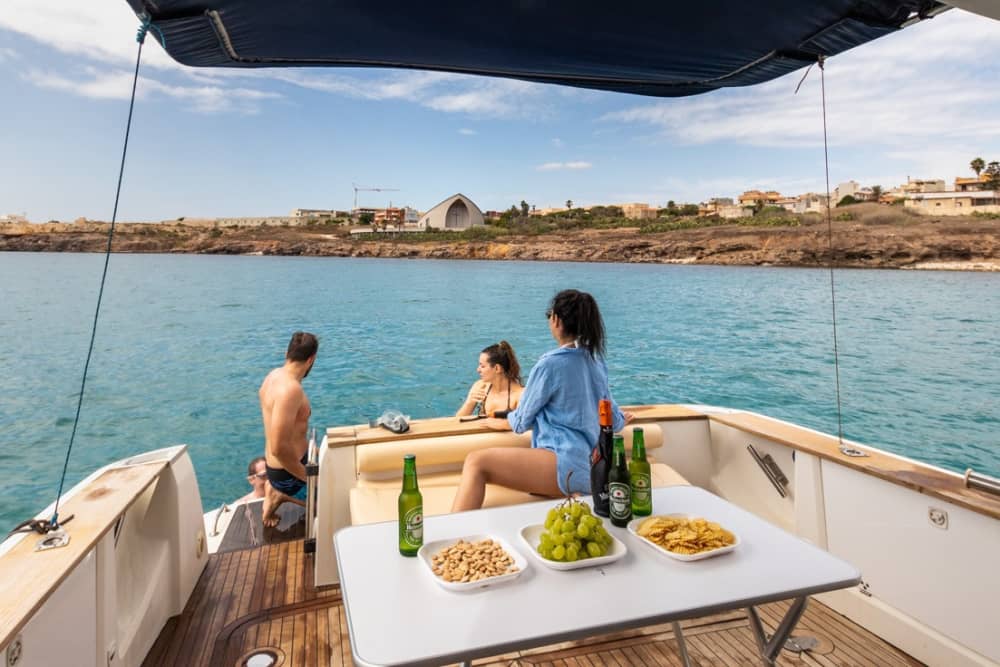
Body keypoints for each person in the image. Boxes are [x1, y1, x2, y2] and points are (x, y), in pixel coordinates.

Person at [451, 289, 631, 512]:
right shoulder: (596, 360)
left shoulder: (550, 364)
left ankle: (453, 540)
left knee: (476, 462)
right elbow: (613, 418)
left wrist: (502, 421)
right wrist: (624, 418)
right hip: (594, 467)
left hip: (565, 464)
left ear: (555, 319)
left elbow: (520, 422)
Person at [260, 331, 318, 527]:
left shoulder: (273, 376)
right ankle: (280, 494)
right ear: (311, 359)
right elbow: (278, 448)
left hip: (282, 466)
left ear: (287, 353)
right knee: (332, 504)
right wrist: (308, 478)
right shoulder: (291, 390)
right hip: (288, 474)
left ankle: (278, 489)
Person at [455, 340, 524, 420]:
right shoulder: (480, 387)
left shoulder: (519, 395)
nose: (478, 370)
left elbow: (523, 426)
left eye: (482, 366)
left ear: (497, 368)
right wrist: (469, 402)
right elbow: (457, 421)